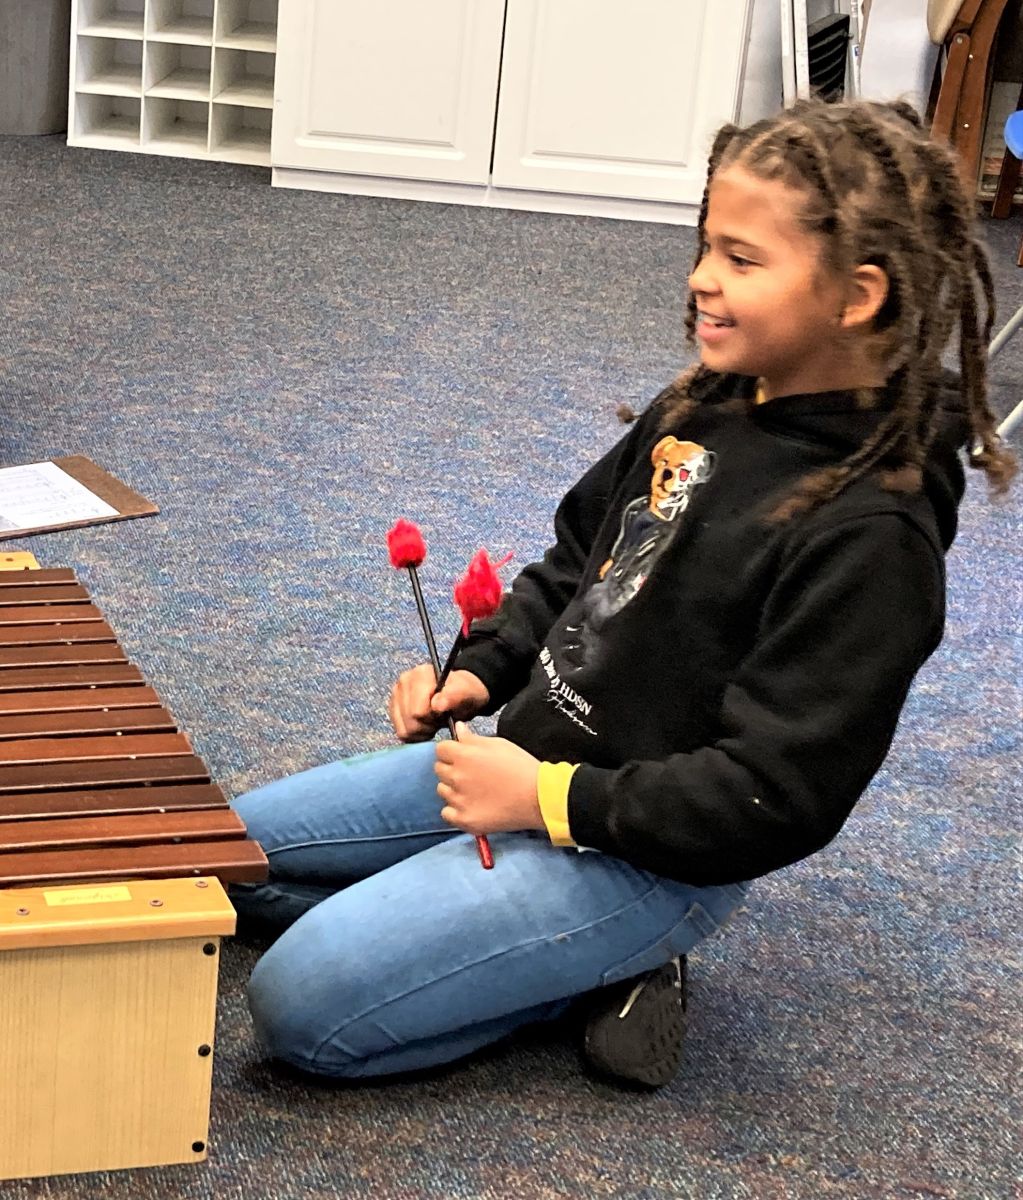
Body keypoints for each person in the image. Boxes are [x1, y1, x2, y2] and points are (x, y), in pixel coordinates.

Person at [229, 98, 1016, 1089]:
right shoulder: (706, 401)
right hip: (523, 761)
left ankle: (607, 966)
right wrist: (479, 672)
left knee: (300, 1007)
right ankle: (482, 940)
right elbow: (577, 562)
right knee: (222, 855)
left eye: (740, 258)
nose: (701, 280)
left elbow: (778, 797)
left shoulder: (873, 537)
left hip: (647, 857)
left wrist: (545, 800)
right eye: (704, 248)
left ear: (856, 297)